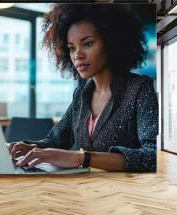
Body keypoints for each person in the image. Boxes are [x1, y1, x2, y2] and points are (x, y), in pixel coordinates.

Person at [9, 4, 158, 172]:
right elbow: (56, 140)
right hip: (88, 189)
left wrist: (80, 158)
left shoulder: (140, 89)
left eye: (87, 43)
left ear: (111, 42)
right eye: (71, 48)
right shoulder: (81, 94)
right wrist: (27, 148)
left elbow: (153, 157)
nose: (77, 55)